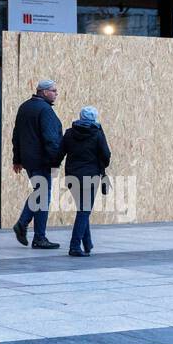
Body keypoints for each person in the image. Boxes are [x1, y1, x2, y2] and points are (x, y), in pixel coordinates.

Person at [11, 79, 63, 250]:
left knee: (40, 193)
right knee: (43, 196)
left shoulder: (25, 107)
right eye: (53, 91)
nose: (56, 93)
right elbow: (51, 139)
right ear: (43, 91)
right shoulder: (45, 110)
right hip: (42, 160)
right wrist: (55, 160)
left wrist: (17, 159)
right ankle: (33, 232)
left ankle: (30, 229)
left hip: (29, 160)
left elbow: (16, 135)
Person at [59, 106, 111, 257]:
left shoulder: (69, 133)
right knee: (84, 211)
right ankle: (75, 246)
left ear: (80, 117)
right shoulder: (97, 134)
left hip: (72, 176)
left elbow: (60, 153)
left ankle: (87, 243)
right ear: (94, 118)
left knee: (83, 209)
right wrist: (102, 165)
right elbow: (106, 155)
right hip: (90, 176)